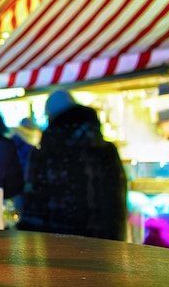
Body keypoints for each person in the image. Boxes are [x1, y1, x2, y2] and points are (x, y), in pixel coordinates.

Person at [17, 89, 128, 241]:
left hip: (59, 242)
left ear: (51, 117)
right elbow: (117, 200)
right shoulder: (104, 150)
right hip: (103, 240)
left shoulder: (46, 153)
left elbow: (35, 203)